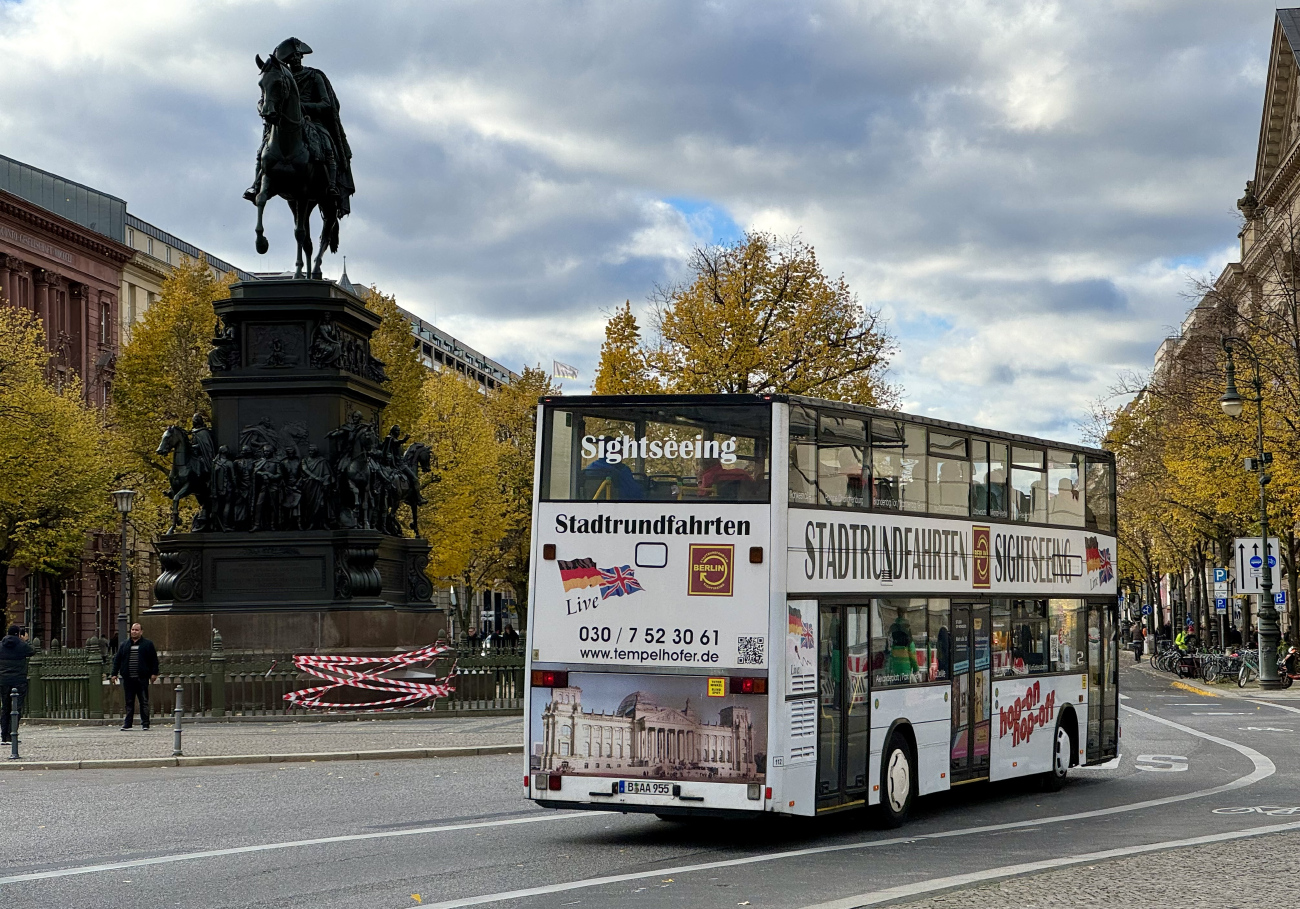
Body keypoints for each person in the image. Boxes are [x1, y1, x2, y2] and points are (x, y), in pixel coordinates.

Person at [111, 623, 159, 731]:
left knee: (144, 701)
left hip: (142, 678)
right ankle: (128, 724)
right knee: (129, 702)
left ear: (141, 632)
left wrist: (154, 673)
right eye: (132, 629)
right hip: (128, 678)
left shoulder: (147, 644)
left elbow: (153, 660)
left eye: (136, 630)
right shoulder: (124, 645)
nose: (134, 631)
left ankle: (145, 723)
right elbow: (117, 660)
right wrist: (114, 674)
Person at [0, 624, 34, 744]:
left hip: (3, 680)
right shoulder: (21, 645)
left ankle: (4, 736)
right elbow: (32, 651)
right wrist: (24, 640)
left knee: (5, 707)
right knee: (16, 708)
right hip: (19, 680)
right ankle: (12, 734)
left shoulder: (1, 645)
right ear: (19, 634)